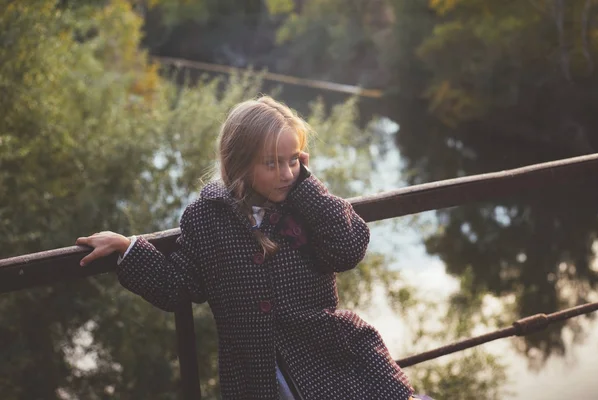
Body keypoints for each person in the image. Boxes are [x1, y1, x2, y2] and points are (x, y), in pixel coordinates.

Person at [76, 96, 428, 400]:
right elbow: (179, 286)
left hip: (330, 358)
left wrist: (310, 187)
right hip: (256, 377)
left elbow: (348, 249)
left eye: (293, 160)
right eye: (272, 163)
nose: (286, 173)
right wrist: (128, 249)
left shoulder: (305, 205)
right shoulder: (206, 219)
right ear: (240, 163)